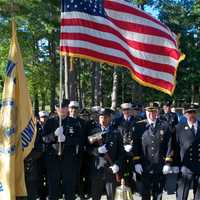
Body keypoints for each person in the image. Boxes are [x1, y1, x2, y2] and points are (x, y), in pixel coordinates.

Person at [43, 99, 85, 200]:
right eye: (59, 107)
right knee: (53, 190)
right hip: (53, 160)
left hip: (69, 160)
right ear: (56, 109)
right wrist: (53, 135)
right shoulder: (50, 122)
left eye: (65, 107)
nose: (62, 109)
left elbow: (81, 140)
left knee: (69, 190)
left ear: (67, 109)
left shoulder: (75, 123)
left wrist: (67, 139)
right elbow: (43, 139)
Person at [133, 104, 173, 200]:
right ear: (146, 112)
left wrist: (168, 163)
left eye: (154, 111)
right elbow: (136, 146)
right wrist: (136, 163)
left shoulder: (165, 125)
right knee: (145, 194)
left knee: (158, 194)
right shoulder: (139, 126)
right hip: (144, 166)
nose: (151, 114)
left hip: (159, 165)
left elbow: (169, 145)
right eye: (149, 111)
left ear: (157, 112)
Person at [88, 108, 125, 200]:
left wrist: (117, 164)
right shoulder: (93, 132)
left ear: (110, 118)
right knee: (95, 197)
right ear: (98, 118)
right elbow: (87, 149)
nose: (103, 119)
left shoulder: (116, 133)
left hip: (111, 170)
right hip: (97, 170)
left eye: (106, 117)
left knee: (111, 197)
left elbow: (121, 152)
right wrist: (97, 151)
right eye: (101, 117)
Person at [176, 105, 200, 200]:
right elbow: (175, 147)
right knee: (182, 195)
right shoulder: (179, 128)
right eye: (189, 112)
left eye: (193, 112)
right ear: (185, 114)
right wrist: (174, 164)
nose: (192, 115)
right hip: (186, 167)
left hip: (199, 166)